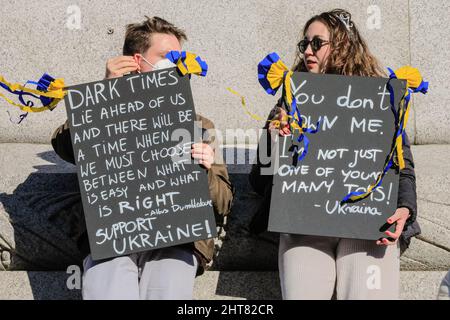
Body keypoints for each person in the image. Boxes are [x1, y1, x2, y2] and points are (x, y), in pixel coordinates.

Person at [51, 16, 234, 300]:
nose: (176, 64)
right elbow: (64, 145)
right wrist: (106, 94)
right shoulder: (103, 110)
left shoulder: (198, 125)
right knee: (108, 284)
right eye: (166, 56)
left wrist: (207, 170)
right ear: (136, 62)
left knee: (170, 283)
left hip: (178, 239)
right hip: (114, 237)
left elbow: (224, 202)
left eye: (180, 57)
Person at [249, 9, 420, 300]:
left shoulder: (379, 100)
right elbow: (259, 180)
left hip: (367, 223)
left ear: (342, 45)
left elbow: (402, 167)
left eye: (318, 43)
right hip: (304, 225)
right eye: (304, 44)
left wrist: (404, 210)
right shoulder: (290, 100)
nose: (308, 51)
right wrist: (272, 142)